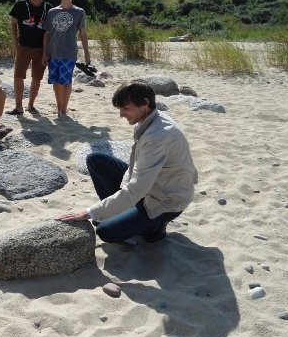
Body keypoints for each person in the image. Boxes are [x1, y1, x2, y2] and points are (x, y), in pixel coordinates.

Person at [55, 81, 198, 244]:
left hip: (165, 199)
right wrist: (112, 206)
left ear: (145, 103)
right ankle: (124, 215)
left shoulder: (159, 135)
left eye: (126, 108)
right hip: (151, 184)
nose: (121, 114)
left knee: (106, 231)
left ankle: (155, 228)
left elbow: (138, 187)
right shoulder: (149, 118)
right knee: (95, 160)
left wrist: (88, 213)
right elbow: (135, 170)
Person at [41, 0, 90, 118]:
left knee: (66, 81)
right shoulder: (52, 12)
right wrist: (44, 53)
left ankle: (64, 109)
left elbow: (83, 34)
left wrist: (87, 54)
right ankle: (59, 108)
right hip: (52, 52)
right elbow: (47, 34)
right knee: (56, 81)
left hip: (69, 52)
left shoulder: (79, 12)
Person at [7, 0, 51, 115]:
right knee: (18, 76)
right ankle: (18, 107)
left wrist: (46, 52)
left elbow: (49, 31)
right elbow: (13, 24)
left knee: (37, 78)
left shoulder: (48, 8)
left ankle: (31, 105)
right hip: (23, 47)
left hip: (41, 49)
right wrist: (16, 45)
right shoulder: (20, 5)